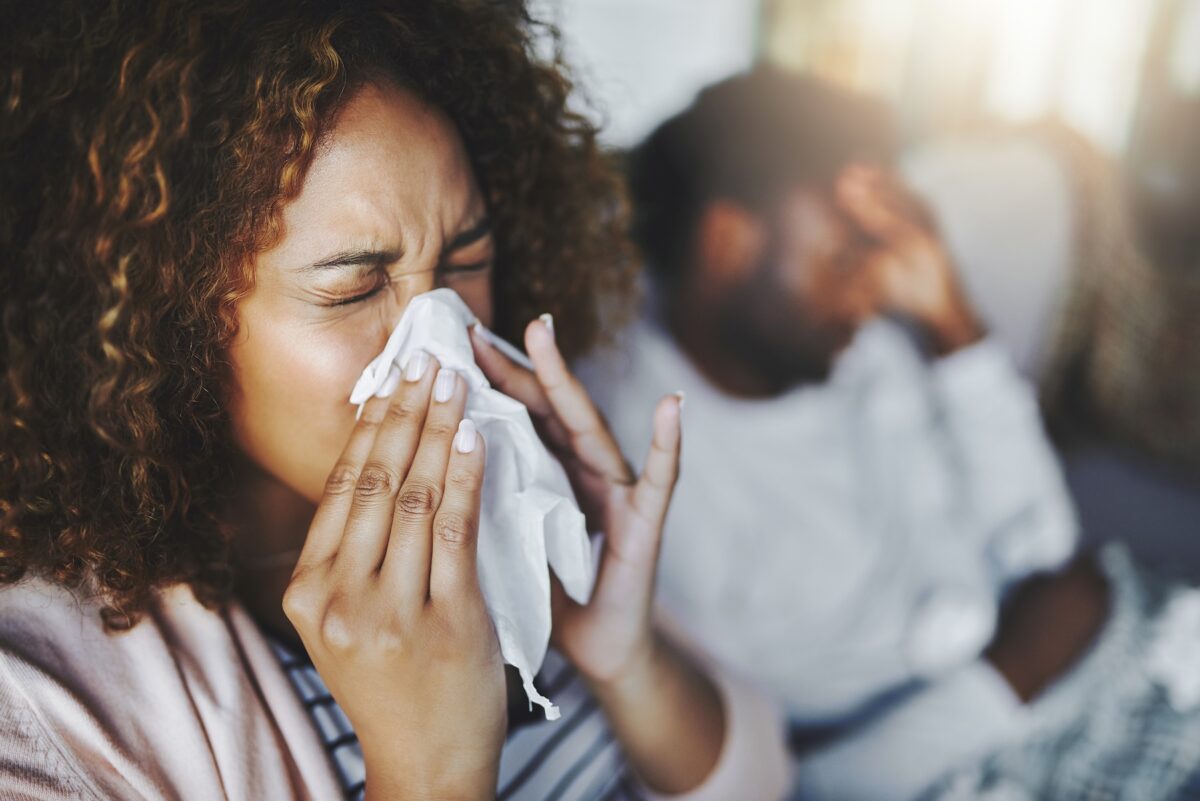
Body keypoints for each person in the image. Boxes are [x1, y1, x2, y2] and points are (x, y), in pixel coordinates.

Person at [0, 3, 790, 800]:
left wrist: (625, 652)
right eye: (354, 287)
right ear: (165, 319)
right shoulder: (44, 710)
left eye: (467, 255)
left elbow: (766, 785)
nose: (444, 341)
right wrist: (431, 772)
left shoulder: (521, 524)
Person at [580, 66, 1200, 800]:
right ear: (728, 243)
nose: (871, 289)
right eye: (842, 256)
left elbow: (1042, 545)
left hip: (1120, 642)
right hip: (984, 751)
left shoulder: (854, 352)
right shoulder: (640, 470)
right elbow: (786, 776)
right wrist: (1007, 676)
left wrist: (953, 325)